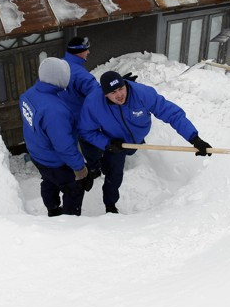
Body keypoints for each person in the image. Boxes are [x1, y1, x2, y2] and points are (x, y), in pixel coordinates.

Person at [78, 71, 212, 214]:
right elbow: (86, 131)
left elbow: (171, 113)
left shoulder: (142, 93)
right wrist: (107, 143)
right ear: (105, 94)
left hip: (136, 139)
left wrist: (194, 138)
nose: (119, 95)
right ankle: (110, 205)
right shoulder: (93, 103)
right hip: (115, 142)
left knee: (128, 152)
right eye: (113, 92)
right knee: (114, 173)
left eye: (121, 88)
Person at [20, 58, 90, 217]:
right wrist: (80, 169)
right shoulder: (55, 111)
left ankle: (52, 208)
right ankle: (69, 220)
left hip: (37, 153)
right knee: (74, 189)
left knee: (48, 181)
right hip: (55, 161)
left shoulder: (29, 95)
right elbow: (64, 147)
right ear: (58, 78)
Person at [59, 37, 103, 185]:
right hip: (79, 115)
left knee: (66, 142)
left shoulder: (59, 65)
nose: (89, 52)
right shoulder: (80, 74)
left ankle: (68, 168)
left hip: (61, 114)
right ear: (78, 52)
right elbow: (97, 94)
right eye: (86, 49)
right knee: (88, 138)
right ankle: (94, 167)